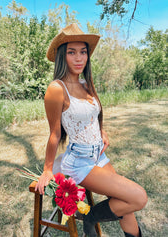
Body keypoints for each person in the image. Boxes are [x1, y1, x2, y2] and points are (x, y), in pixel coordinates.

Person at [35, 23, 147, 237]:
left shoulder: (85, 82)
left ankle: (91, 217)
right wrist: (48, 169)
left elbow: (93, 113)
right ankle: (90, 217)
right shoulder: (56, 88)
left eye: (83, 52)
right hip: (79, 161)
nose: (79, 58)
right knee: (138, 198)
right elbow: (54, 133)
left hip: (99, 155)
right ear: (62, 56)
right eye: (71, 52)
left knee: (128, 207)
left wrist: (101, 132)